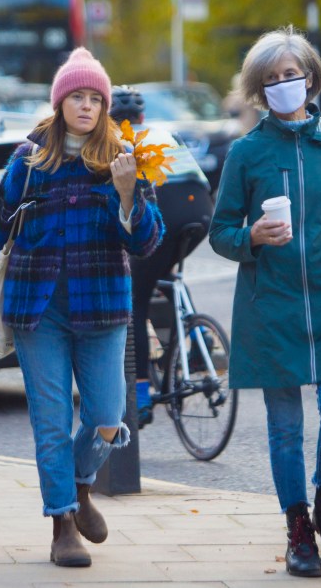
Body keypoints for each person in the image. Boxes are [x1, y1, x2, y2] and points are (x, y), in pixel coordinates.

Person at [0, 48, 164, 568]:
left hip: (103, 309)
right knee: (49, 421)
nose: (86, 106)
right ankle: (62, 523)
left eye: (96, 98)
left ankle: (81, 485)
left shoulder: (124, 156)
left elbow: (147, 243)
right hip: (37, 312)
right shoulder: (28, 160)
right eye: (77, 97)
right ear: (61, 101)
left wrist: (128, 193)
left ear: (105, 106)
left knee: (107, 417)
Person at [209, 26, 321, 578]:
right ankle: (298, 526)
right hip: (270, 308)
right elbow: (220, 231)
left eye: (292, 74)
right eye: (273, 78)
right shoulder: (247, 153)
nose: (284, 84)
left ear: (310, 78)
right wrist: (251, 236)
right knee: (283, 429)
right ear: (260, 88)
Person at [110, 85, 214, 428]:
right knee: (162, 275)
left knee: (135, 300)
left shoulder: (115, 142)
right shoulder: (163, 133)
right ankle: (199, 348)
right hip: (199, 207)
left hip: (164, 207)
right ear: (142, 116)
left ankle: (140, 395)